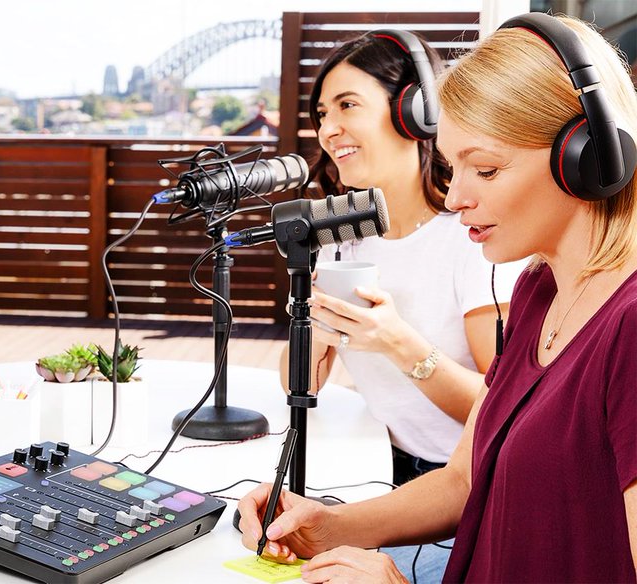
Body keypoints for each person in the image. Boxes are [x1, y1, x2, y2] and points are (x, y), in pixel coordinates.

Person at [242, 13, 637, 582]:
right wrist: (326, 526)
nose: (455, 198)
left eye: (486, 169)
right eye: (454, 168)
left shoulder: (628, 327)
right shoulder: (539, 289)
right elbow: (464, 479)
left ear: (589, 159)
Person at [284, 29, 524, 492]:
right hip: (375, 464)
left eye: (348, 105)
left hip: (461, 484)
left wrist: (396, 342)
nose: (328, 129)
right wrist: (312, 325)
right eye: (323, 114)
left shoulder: (474, 238)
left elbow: (505, 408)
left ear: (415, 111)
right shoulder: (343, 239)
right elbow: (297, 384)